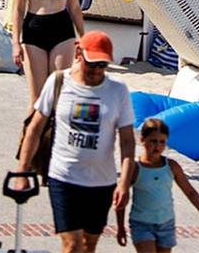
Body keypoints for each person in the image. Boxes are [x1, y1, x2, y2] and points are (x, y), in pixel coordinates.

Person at [12, 31, 134, 253]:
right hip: (64, 177)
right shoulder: (59, 81)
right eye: (92, 63)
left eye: (102, 65)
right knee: (72, 244)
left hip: (101, 182)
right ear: (79, 53)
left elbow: (127, 142)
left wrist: (124, 183)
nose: (97, 70)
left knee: (89, 244)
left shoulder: (118, 91)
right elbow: (35, 128)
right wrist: (22, 172)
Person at [114, 117, 199, 253]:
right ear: (142, 140)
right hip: (141, 224)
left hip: (166, 224)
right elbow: (122, 198)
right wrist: (120, 227)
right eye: (153, 141)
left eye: (162, 142)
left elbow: (190, 192)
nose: (157, 146)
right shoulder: (136, 168)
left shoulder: (171, 167)